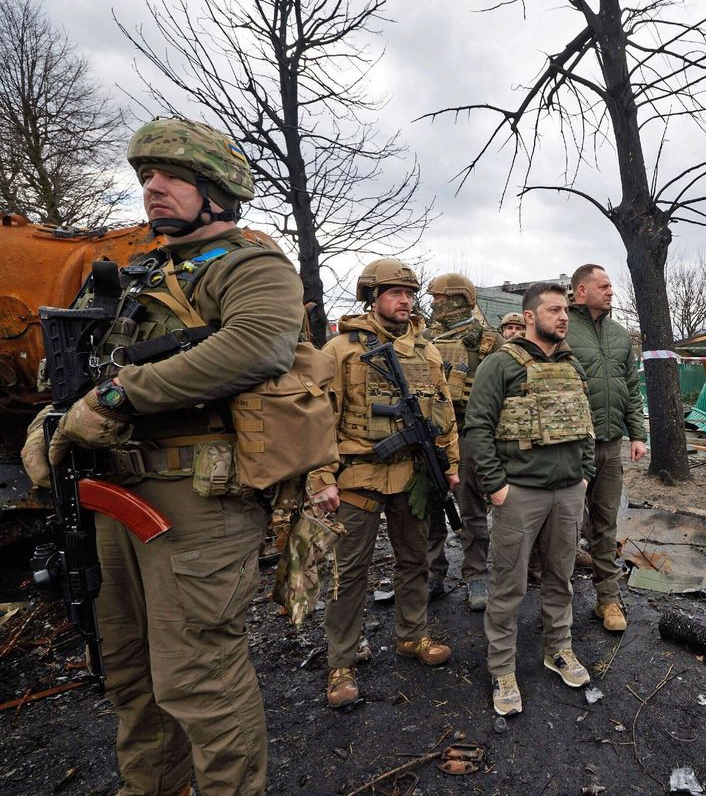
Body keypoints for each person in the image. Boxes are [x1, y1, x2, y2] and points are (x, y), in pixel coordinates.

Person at [20, 117, 304, 795]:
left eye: (172, 176)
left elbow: (255, 347)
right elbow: (80, 370)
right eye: (146, 176)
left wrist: (114, 400)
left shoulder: (251, 263)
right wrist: (53, 416)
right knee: (127, 668)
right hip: (113, 497)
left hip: (196, 504)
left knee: (198, 675)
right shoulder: (137, 275)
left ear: (217, 187)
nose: (153, 187)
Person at [307, 259, 459, 709]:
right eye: (395, 293)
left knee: (415, 560)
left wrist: (451, 464)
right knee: (349, 572)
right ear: (372, 297)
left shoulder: (426, 351)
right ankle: (342, 660)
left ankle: (411, 635)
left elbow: (443, 413)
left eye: (409, 294)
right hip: (356, 475)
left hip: (412, 475)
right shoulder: (340, 350)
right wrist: (321, 478)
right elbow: (317, 419)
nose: (405, 301)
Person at [464, 281, 596, 716]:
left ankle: (557, 649)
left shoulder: (573, 364)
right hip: (520, 494)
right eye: (555, 310)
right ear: (529, 317)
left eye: (567, 311)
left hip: (567, 492)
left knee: (561, 577)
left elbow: (586, 422)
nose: (564, 317)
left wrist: (585, 476)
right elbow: (478, 429)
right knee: (509, 585)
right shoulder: (500, 364)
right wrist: (498, 486)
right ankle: (502, 668)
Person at [565, 264, 647, 632]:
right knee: (564, 527)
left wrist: (638, 435)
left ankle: (608, 601)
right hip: (569, 448)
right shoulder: (563, 329)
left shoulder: (619, 336)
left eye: (611, 286)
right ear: (581, 291)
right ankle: (558, 604)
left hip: (610, 446)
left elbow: (631, 387)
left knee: (606, 525)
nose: (611, 291)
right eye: (604, 286)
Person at [423, 273, 500, 611]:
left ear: (456, 299)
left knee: (471, 509)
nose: (433, 303)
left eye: (438, 297)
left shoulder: (488, 342)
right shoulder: (422, 339)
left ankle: (476, 574)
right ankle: (433, 572)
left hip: (467, 436)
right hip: (426, 436)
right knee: (427, 509)